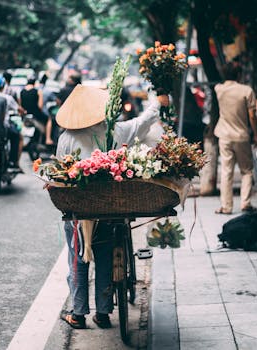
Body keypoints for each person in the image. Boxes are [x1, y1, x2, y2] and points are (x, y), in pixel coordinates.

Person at [55, 84, 169, 329]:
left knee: (78, 259)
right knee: (105, 256)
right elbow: (145, 121)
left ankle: (78, 314)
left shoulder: (66, 138)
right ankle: (104, 312)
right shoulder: (116, 130)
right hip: (110, 207)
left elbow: (60, 174)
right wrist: (158, 101)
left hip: (80, 210)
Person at [214, 63, 257, 214]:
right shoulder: (246, 91)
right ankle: (245, 203)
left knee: (227, 171)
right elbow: (252, 116)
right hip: (241, 136)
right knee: (247, 171)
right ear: (239, 75)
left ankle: (226, 207)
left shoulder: (219, 89)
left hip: (224, 135)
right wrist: (256, 133)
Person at [0, 76, 25, 170]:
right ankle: (13, 161)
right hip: (4, 128)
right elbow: (19, 109)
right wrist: (23, 113)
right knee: (17, 136)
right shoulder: (7, 98)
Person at [20, 76, 54, 145]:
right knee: (49, 119)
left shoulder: (22, 91)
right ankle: (48, 139)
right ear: (34, 83)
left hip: (25, 114)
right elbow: (40, 106)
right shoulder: (38, 91)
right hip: (36, 114)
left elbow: (20, 106)